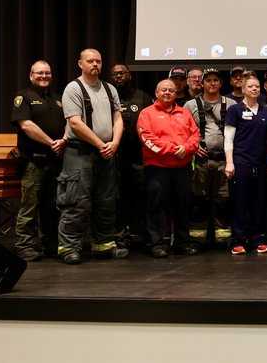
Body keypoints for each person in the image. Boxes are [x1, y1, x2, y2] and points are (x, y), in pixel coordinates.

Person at [57, 49, 127, 264]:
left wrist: (114, 143)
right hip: (80, 153)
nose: (95, 64)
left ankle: (104, 245)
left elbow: (118, 118)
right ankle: (68, 248)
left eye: (98, 61)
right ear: (80, 63)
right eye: (90, 61)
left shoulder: (109, 89)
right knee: (77, 202)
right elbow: (75, 123)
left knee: (106, 202)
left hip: (106, 153)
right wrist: (100, 144)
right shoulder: (73, 88)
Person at [135, 79, 201, 258]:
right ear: (156, 93)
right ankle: (155, 244)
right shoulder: (146, 113)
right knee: (155, 207)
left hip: (183, 168)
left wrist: (186, 149)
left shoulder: (184, 112)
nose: (167, 93)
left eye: (171, 90)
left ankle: (181, 242)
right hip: (157, 167)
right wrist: (174, 150)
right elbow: (147, 139)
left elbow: (195, 135)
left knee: (182, 207)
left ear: (175, 93)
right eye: (163, 90)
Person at [11, 60, 66, 261]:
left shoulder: (58, 98)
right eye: (40, 73)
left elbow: (70, 121)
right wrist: (52, 142)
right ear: (31, 75)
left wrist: (65, 140)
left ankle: (51, 245)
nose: (44, 76)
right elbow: (26, 126)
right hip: (34, 162)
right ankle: (25, 245)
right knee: (29, 206)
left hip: (56, 161)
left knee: (52, 207)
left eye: (47, 73)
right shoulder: (23, 97)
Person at [224, 73, 267, 254]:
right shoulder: (235, 110)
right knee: (240, 202)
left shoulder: (266, 111)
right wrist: (229, 162)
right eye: (251, 86)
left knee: (259, 203)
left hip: (261, 164)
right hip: (240, 163)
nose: (254, 89)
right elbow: (228, 138)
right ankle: (237, 240)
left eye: (257, 87)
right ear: (243, 89)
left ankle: (256, 239)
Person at [184, 68, 237, 247]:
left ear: (221, 83)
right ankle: (197, 238)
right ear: (202, 83)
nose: (212, 83)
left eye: (215, 80)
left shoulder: (231, 104)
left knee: (224, 200)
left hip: (225, 160)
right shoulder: (190, 106)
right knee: (199, 199)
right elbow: (181, 131)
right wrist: (193, 147)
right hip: (201, 161)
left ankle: (223, 237)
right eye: (208, 80)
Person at [110, 63, 152, 248]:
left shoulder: (143, 97)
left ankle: (146, 237)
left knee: (142, 198)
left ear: (130, 76)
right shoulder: (106, 97)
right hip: (114, 158)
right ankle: (119, 236)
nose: (119, 77)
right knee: (117, 199)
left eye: (122, 74)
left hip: (138, 157)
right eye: (115, 74)